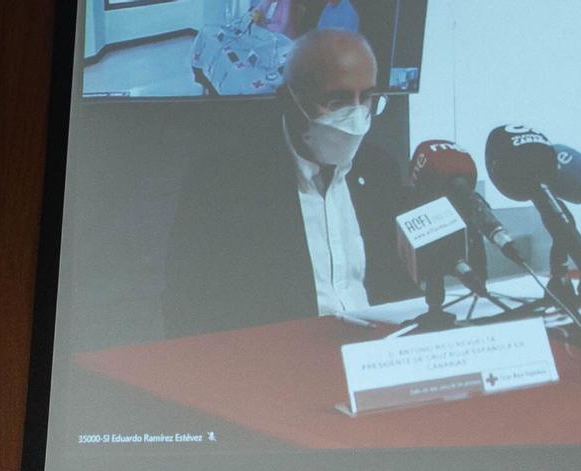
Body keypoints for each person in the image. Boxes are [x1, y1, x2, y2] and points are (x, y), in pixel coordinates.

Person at [163, 28, 413, 338]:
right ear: (291, 97)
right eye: (337, 101)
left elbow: (395, 287)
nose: (357, 115)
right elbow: (190, 311)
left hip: (376, 358)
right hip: (284, 365)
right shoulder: (226, 183)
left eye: (368, 98)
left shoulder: (379, 170)